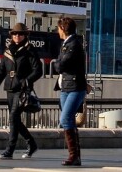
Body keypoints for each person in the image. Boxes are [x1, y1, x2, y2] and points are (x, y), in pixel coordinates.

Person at [0, 22, 42, 160]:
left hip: (22, 90)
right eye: (15, 34)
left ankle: (9, 150)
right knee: (15, 120)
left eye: (20, 34)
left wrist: (26, 81)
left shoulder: (30, 50)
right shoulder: (8, 51)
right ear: (11, 35)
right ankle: (31, 143)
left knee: (13, 117)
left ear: (25, 35)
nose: (17, 36)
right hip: (10, 88)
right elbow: (1, 72)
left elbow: (38, 71)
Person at [53, 16, 87, 167]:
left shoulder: (73, 44)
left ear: (63, 29)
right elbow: (61, 64)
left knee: (65, 119)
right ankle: (75, 157)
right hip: (65, 87)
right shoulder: (66, 44)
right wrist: (58, 63)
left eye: (58, 28)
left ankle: (73, 155)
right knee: (70, 121)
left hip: (75, 87)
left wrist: (56, 63)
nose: (57, 31)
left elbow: (60, 66)